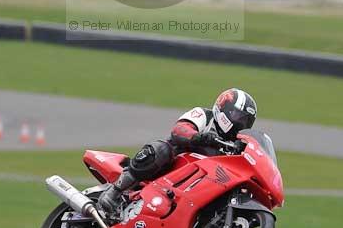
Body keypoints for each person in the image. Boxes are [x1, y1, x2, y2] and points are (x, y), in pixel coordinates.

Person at [98, 87, 258, 217]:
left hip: (198, 187)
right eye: (238, 116)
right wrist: (200, 137)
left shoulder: (237, 145)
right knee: (162, 149)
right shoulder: (204, 115)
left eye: (246, 121)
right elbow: (179, 130)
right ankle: (115, 191)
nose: (240, 123)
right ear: (223, 108)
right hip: (171, 168)